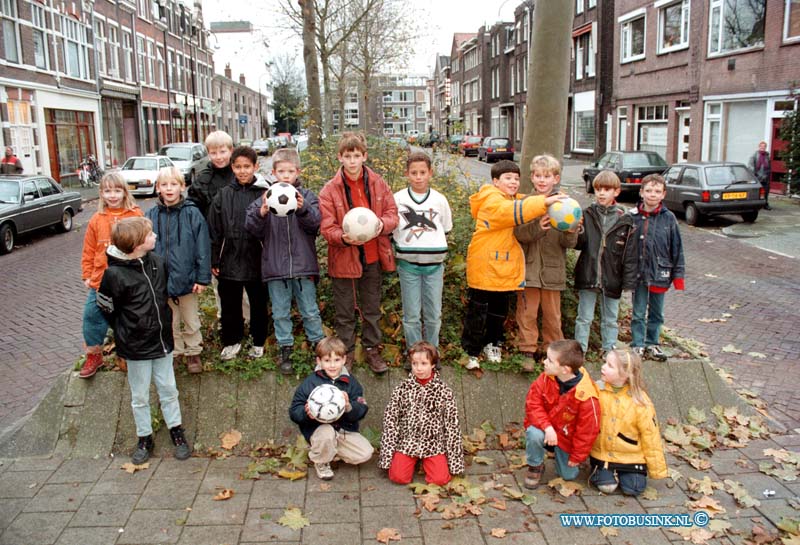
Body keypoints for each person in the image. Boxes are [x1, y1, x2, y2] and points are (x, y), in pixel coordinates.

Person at [96, 217, 191, 463]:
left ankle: (176, 430)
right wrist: (124, 330)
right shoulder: (113, 275)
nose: (155, 237)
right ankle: (144, 436)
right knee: (139, 395)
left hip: (162, 340)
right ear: (137, 243)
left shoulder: (158, 263)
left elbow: (164, 295)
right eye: (150, 235)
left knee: (169, 388)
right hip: (135, 345)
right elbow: (106, 307)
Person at [461, 160, 565, 370]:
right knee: (478, 310)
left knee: (498, 311)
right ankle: (471, 351)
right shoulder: (491, 199)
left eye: (517, 178)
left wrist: (553, 199)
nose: (514, 182)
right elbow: (514, 210)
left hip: (502, 268)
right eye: (508, 178)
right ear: (495, 181)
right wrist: (544, 202)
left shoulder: (513, 198)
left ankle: (493, 344)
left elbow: (526, 201)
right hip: (485, 266)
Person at [318, 132, 399, 374]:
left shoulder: (378, 183)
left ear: (364, 156)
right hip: (343, 258)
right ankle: (346, 354)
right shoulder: (330, 190)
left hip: (372, 256)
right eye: (347, 156)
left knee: (372, 308)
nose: (352, 161)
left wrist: (381, 226)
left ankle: (373, 350)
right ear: (339, 158)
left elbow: (392, 213)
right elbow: (327, 225)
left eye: (356, 155)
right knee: (344, 311)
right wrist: (341, 237)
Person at [245, 148, 324, 374]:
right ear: (274, 172)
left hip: (303, 266)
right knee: (280, 312)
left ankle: (318, 348)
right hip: (275, 268)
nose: (286, 175)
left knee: (309, 310)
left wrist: (303, 210)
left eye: (290, 171)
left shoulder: (307, 197)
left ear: (298, 171)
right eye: (281, 171)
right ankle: (285, 349)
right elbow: (251, 228)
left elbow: (316, 224)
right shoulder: (264, 197)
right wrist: (260, 214)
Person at [514, 155, 579, 371]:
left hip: (552, 272)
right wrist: (537, 228)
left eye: (547, 176)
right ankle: (527, 352)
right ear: (532, 177)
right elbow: (519, 234)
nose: (542, 180)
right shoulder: (525, 203)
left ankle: (553, 354)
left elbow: (568, 243)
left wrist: (572, 231)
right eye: (538, 176)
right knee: (527, 313)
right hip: (529, 271)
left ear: (556, 178)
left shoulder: (564, 204)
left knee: (553, 316)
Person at [146, 166, 211, 374]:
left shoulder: (192, 213)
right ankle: (174, 352)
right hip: (161, 281)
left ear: (182, 186)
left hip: (187, 279)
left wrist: (202, 278)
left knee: (190, 318)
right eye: (164, 185)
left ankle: (193, 352)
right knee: (168, 320)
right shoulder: (151, 215)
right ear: (158, 188)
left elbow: (202, 247)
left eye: (174, 184)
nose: (169, 189)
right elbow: (144, 247)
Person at [78, 172, 142, 378]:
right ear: (101, 194)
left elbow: (144, 246)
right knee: (93, 316)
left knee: (126, 318)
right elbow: (88, 249)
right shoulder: (97, 219)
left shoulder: (135, 215)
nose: (112, 195)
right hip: (101, 280)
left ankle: (126, 354)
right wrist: (87, 275)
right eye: (107, 191)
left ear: (124, 192)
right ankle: (94, 355)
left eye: (117, 190)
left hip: (127, 280)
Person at [208, 146, 268, 361]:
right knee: (230, 305)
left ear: (255, 167)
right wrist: (214, 258)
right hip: (229, 259)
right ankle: (232, 341)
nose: (242, 171)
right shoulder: (223, 195)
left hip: (257, 259)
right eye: (238, 167)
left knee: (258, 304)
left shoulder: (264, 193)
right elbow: (213, 230)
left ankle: (258, 341)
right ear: (232, 167)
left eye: (247, 167)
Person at [379, 342, 464, 486]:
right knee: (398, 477)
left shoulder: (444, 391)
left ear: (432, 365)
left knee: (439, 480)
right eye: (414, 363)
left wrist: (455, 463)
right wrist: (386, 458)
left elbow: (452, 426)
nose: (418, 368)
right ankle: (411, 461)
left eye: (424, 363)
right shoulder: (402, 389)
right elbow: (391, 421)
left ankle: (427, 462)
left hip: (433, 444)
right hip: (408, 442)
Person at [289, 336, 373, 480]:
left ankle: (328, 450)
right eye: (327, 361)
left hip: (343, 430)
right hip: (320, 430)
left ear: (344, 360)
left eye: (336, 360)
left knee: (365, 453)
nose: (332, 365)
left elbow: (362, 408)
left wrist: (348, 406)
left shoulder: (351, 383)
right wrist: (305, 412)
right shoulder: (310, 383)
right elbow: (294, 410)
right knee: (327, 432)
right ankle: (321, 460)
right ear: (319, 361)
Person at [573, 171, 638, 354]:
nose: (601, 193)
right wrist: (576, 231)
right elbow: (579, 245)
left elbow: (629, 255)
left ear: (616, 192)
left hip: (613, 277)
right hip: (589, 273)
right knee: (584, 317)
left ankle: (610, 351)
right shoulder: (587, 214)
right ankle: (580, 352)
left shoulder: (625, 220)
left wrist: (628, 281)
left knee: (610, 318)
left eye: (606, 189)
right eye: (598, 189)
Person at [392, 151, 452, 348]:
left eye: (422, 172)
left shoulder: (439, 200)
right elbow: (392, 228)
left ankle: (431, 353)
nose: (418, 177)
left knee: (434, 314)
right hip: (408, 266)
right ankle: (415, 354)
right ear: (407, 174)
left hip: (434, 267)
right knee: (411, 315)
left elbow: (446, 228)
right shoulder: (398, 199)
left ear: (430, 173)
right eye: (414, 173)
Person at [522, 339, 600, 489]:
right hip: (547, 430)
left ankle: (563, 457)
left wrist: (577, 456)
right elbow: (533, 405)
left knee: (568, 475)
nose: (544, 362)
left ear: (565, 369)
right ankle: (535, 465)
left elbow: (588, 431)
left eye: (550, 360)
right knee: (533, 433)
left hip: (566, 438)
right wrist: (547, 427)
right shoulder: (545, 378)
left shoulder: (587, 396)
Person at [589, 348, 668, 496]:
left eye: (610, 366)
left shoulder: (640, 401)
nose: (603, 367)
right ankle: (605, 472)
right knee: (607, 487)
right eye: (605, 362)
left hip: (632, 457)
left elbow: (650, 436)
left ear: (625, 374)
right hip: (603, 456)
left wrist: (657, 470)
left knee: (634, 489)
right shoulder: (595, 390)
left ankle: (624, 474)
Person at [630, 174, 685, 362]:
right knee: (638, 312)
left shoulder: (669, 219)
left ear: (663, 194)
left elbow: (676, 247)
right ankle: (637, 344)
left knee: (656, 312)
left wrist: (678, 276)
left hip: (660, 273)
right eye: (649, 191)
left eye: (657, 191)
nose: (652, 195)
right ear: (641, 192)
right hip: (638, 274)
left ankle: (652, 343)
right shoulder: (633, 217)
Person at [748, 141, 772, 210]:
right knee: (757, 192)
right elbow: (751, 166)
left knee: (766, 191)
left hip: (765, 177)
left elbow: (769, 167)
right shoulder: (754, 155)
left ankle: (765, 204)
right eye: (761, 146)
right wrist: (754, 176)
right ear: (759, 147)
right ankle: (756, 205)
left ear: (765, 147)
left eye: (764, 146)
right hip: (757, 177)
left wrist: (768, 175)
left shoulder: (767, 156)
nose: (763, 148)